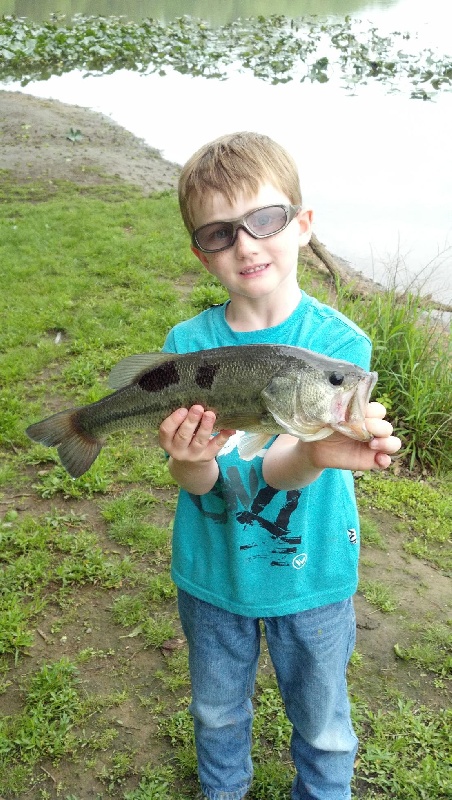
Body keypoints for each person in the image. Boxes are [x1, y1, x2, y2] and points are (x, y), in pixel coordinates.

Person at [157, 131, 401, 800]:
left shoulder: (338, 349)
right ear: (201, 251)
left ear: (303, 223)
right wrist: (189, 461)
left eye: (264, 219)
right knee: (216, 711)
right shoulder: (187, 349)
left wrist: (321, 450)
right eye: (219, 232)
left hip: (314, 572)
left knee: (323, 722)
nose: (246, 243)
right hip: (214, 572)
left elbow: (280, 467)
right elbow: (203, 485)